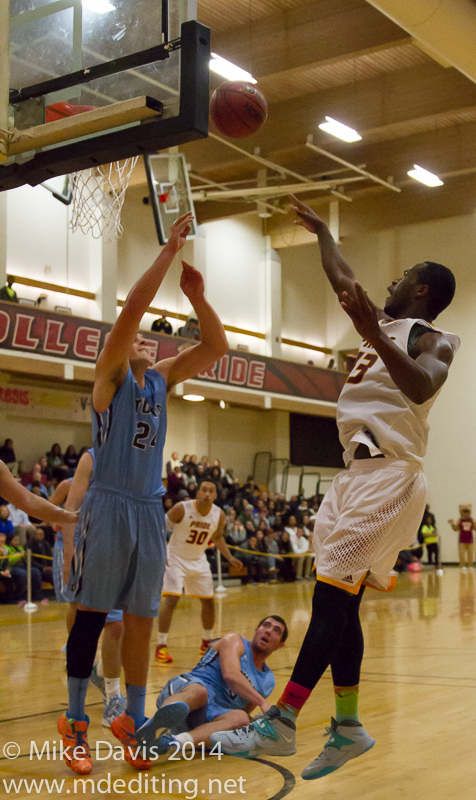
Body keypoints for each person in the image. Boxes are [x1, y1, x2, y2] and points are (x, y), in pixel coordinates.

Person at [210, 194, 459, 779]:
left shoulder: (431, 337)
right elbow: (343, 277)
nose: (389, 282)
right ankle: (347, 726)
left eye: (402, 277)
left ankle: (283, 719)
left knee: (330, 599)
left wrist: (374, 331)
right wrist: (322, 230)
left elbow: (423, 389)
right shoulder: (383, 321)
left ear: (421, 291)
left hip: (392, 474)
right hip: (353, 479)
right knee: (340, 605)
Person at [58, 212, 228, 776]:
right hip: (107, 505)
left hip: (148, 509)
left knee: (139, 621)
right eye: (142, 342)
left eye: (156, 344)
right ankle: (76, 721)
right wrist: (167, 252)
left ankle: (133, 721)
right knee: (90, 617)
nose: (150, 345)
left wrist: (198, 297)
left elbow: (215, 345)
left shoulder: (163, 379)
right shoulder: (110, 375)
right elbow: (130, 311)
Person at [135, 616, 288, 758]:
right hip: (186, 691)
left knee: (241, 719)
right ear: (256, 630)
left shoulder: (267, 680)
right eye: (266, 625)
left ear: (281, 645)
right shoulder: (234, 641)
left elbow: (243, 712)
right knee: (200, 693)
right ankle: (156, 724)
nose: (268, 631)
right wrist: (262, 702)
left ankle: (172, 742)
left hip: (206, 719)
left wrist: (261, 727)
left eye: (276, 631)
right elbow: (231, 674)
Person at [54, 453, 126, 729]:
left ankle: (112, 694)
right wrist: (67, 550)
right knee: (78, 613)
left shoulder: (137, 459)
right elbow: (59, 509)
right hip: (83, 549)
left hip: (117, 548)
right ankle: (81, 682)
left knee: (117, 625)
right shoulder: (88, 464)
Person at [156, 478, 242, 663]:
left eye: (211, 491)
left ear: (216, 496)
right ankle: (161, 646)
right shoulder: (182, 508)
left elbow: (217, 538)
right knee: (171, 598)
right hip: (175, 558)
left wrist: (230, 557)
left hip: (198, 559)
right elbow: (160, 527)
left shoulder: (219, 515)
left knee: (209, 602)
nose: (207, 493)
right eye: (204, 490)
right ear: (198, 493)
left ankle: (206, 643)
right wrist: (161, 553)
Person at [448, 506, 475, 571]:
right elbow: (456, 528)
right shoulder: (460, 520)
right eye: (464, 512)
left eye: (467, 512)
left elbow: (474, 527)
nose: (466, 513)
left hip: (470, 539)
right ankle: (462, 565)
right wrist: (452, 524)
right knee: (461, 553)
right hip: (462, 539)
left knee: (470, 553)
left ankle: (470, 565)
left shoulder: (471, 520)